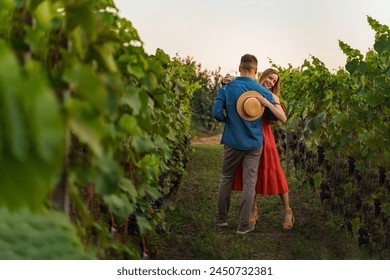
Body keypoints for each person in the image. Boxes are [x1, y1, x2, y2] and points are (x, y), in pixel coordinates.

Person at [212, 54, 277, 234]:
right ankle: (243, 225)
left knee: (226, 178)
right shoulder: (264, 93)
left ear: (240, 67)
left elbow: (217, 113)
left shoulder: (227, 87)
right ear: (256, 70)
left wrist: (230, 121)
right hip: (254, 143)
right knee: (250, 183)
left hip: (232, 141)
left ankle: (221, 219)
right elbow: (272, 119)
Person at [229, 68, 295, 229]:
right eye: (270, 78)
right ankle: (253, 209)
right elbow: (236, 85)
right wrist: (227, 80)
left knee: (275, 172)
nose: (271, 82)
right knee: (252, 173)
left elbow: (283, 118)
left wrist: (267, 104)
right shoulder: (250, 89)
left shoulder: (271, 96)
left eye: (274, 81)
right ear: (262, 76)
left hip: (265, 137)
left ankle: (287, 211)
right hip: (248, 136)